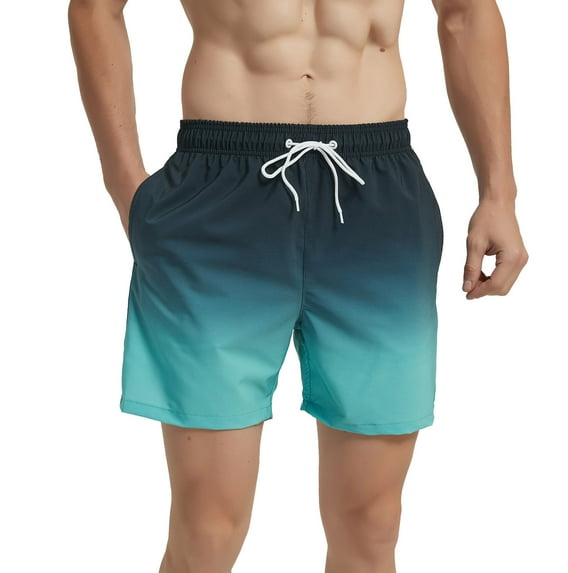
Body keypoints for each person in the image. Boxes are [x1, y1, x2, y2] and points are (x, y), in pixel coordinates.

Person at [68, 0, 528, 571]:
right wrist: (126, 187)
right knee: (208, 526)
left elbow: (465, 13)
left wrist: (498, 193)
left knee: (372, 523)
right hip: (217, 191)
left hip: (376, 195)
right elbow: (96, 8)